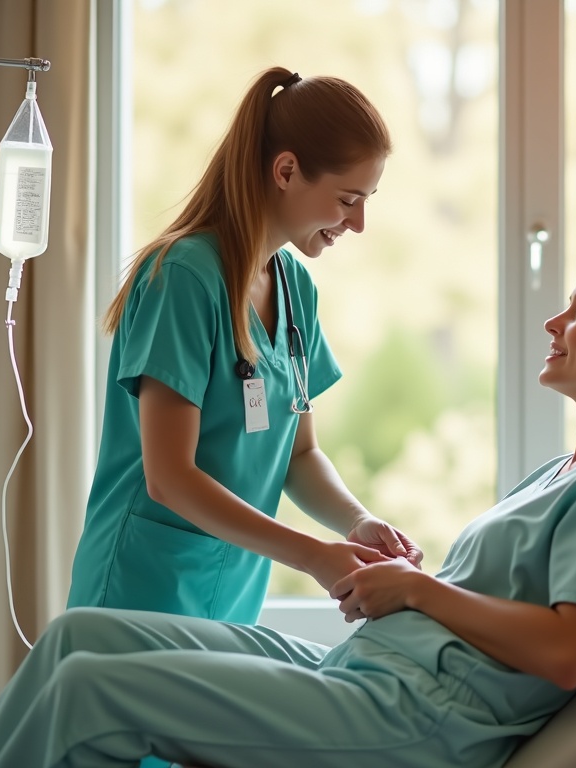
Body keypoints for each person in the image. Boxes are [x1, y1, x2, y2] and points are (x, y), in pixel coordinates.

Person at [0, 247, 576, 768]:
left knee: (93, 692)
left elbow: (570, 653)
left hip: (415, 717)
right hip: (366, 671)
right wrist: (395, 578)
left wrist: (418, 590)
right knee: (81, 638)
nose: (555, 323)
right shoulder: (568, 468)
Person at [66, 66, 422, 626]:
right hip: (143, 591)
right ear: (286, 170)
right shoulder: (182, 277)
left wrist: (356, 522)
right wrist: (312, 556)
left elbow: (299, 455)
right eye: (349, 198)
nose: (358, 223)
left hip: (231, 597)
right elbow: (169, 476)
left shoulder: (294, 287)